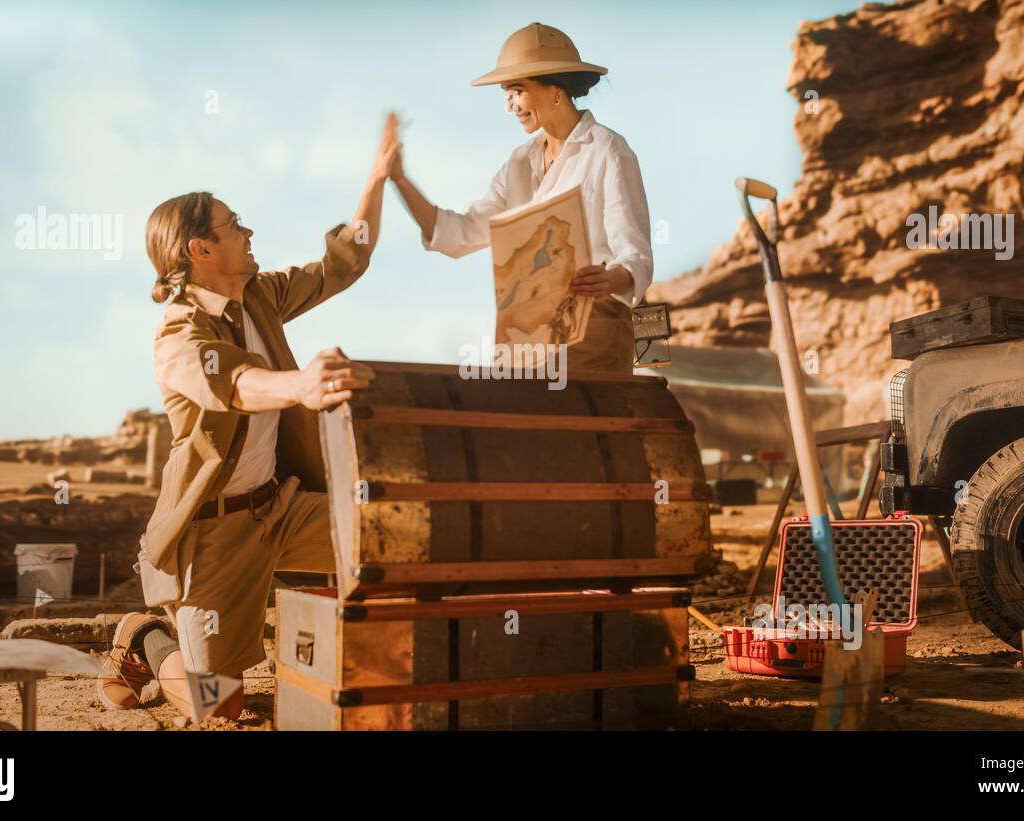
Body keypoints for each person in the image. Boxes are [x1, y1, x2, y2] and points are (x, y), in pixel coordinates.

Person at [98, 118, 399, 721]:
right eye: (235, 225)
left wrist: (376, 178)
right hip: (216, 535)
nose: (249, 229)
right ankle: (144, 637)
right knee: (223, 705)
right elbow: (234, 383)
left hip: (281, 506)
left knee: (393, 537)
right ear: (199, 249)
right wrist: (302, 385)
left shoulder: (258, 295)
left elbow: (344, 262)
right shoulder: (180, 332)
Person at [390, 22, 653, 373]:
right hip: (527, 343)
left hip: (595, 333)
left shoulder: (608, 150)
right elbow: (461, 233)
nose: (509, 106)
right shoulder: (518, 163)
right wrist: (399, 180)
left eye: (516, 91)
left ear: (555, 89)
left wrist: (612, 277)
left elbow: (636, 256)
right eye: (506, 94)